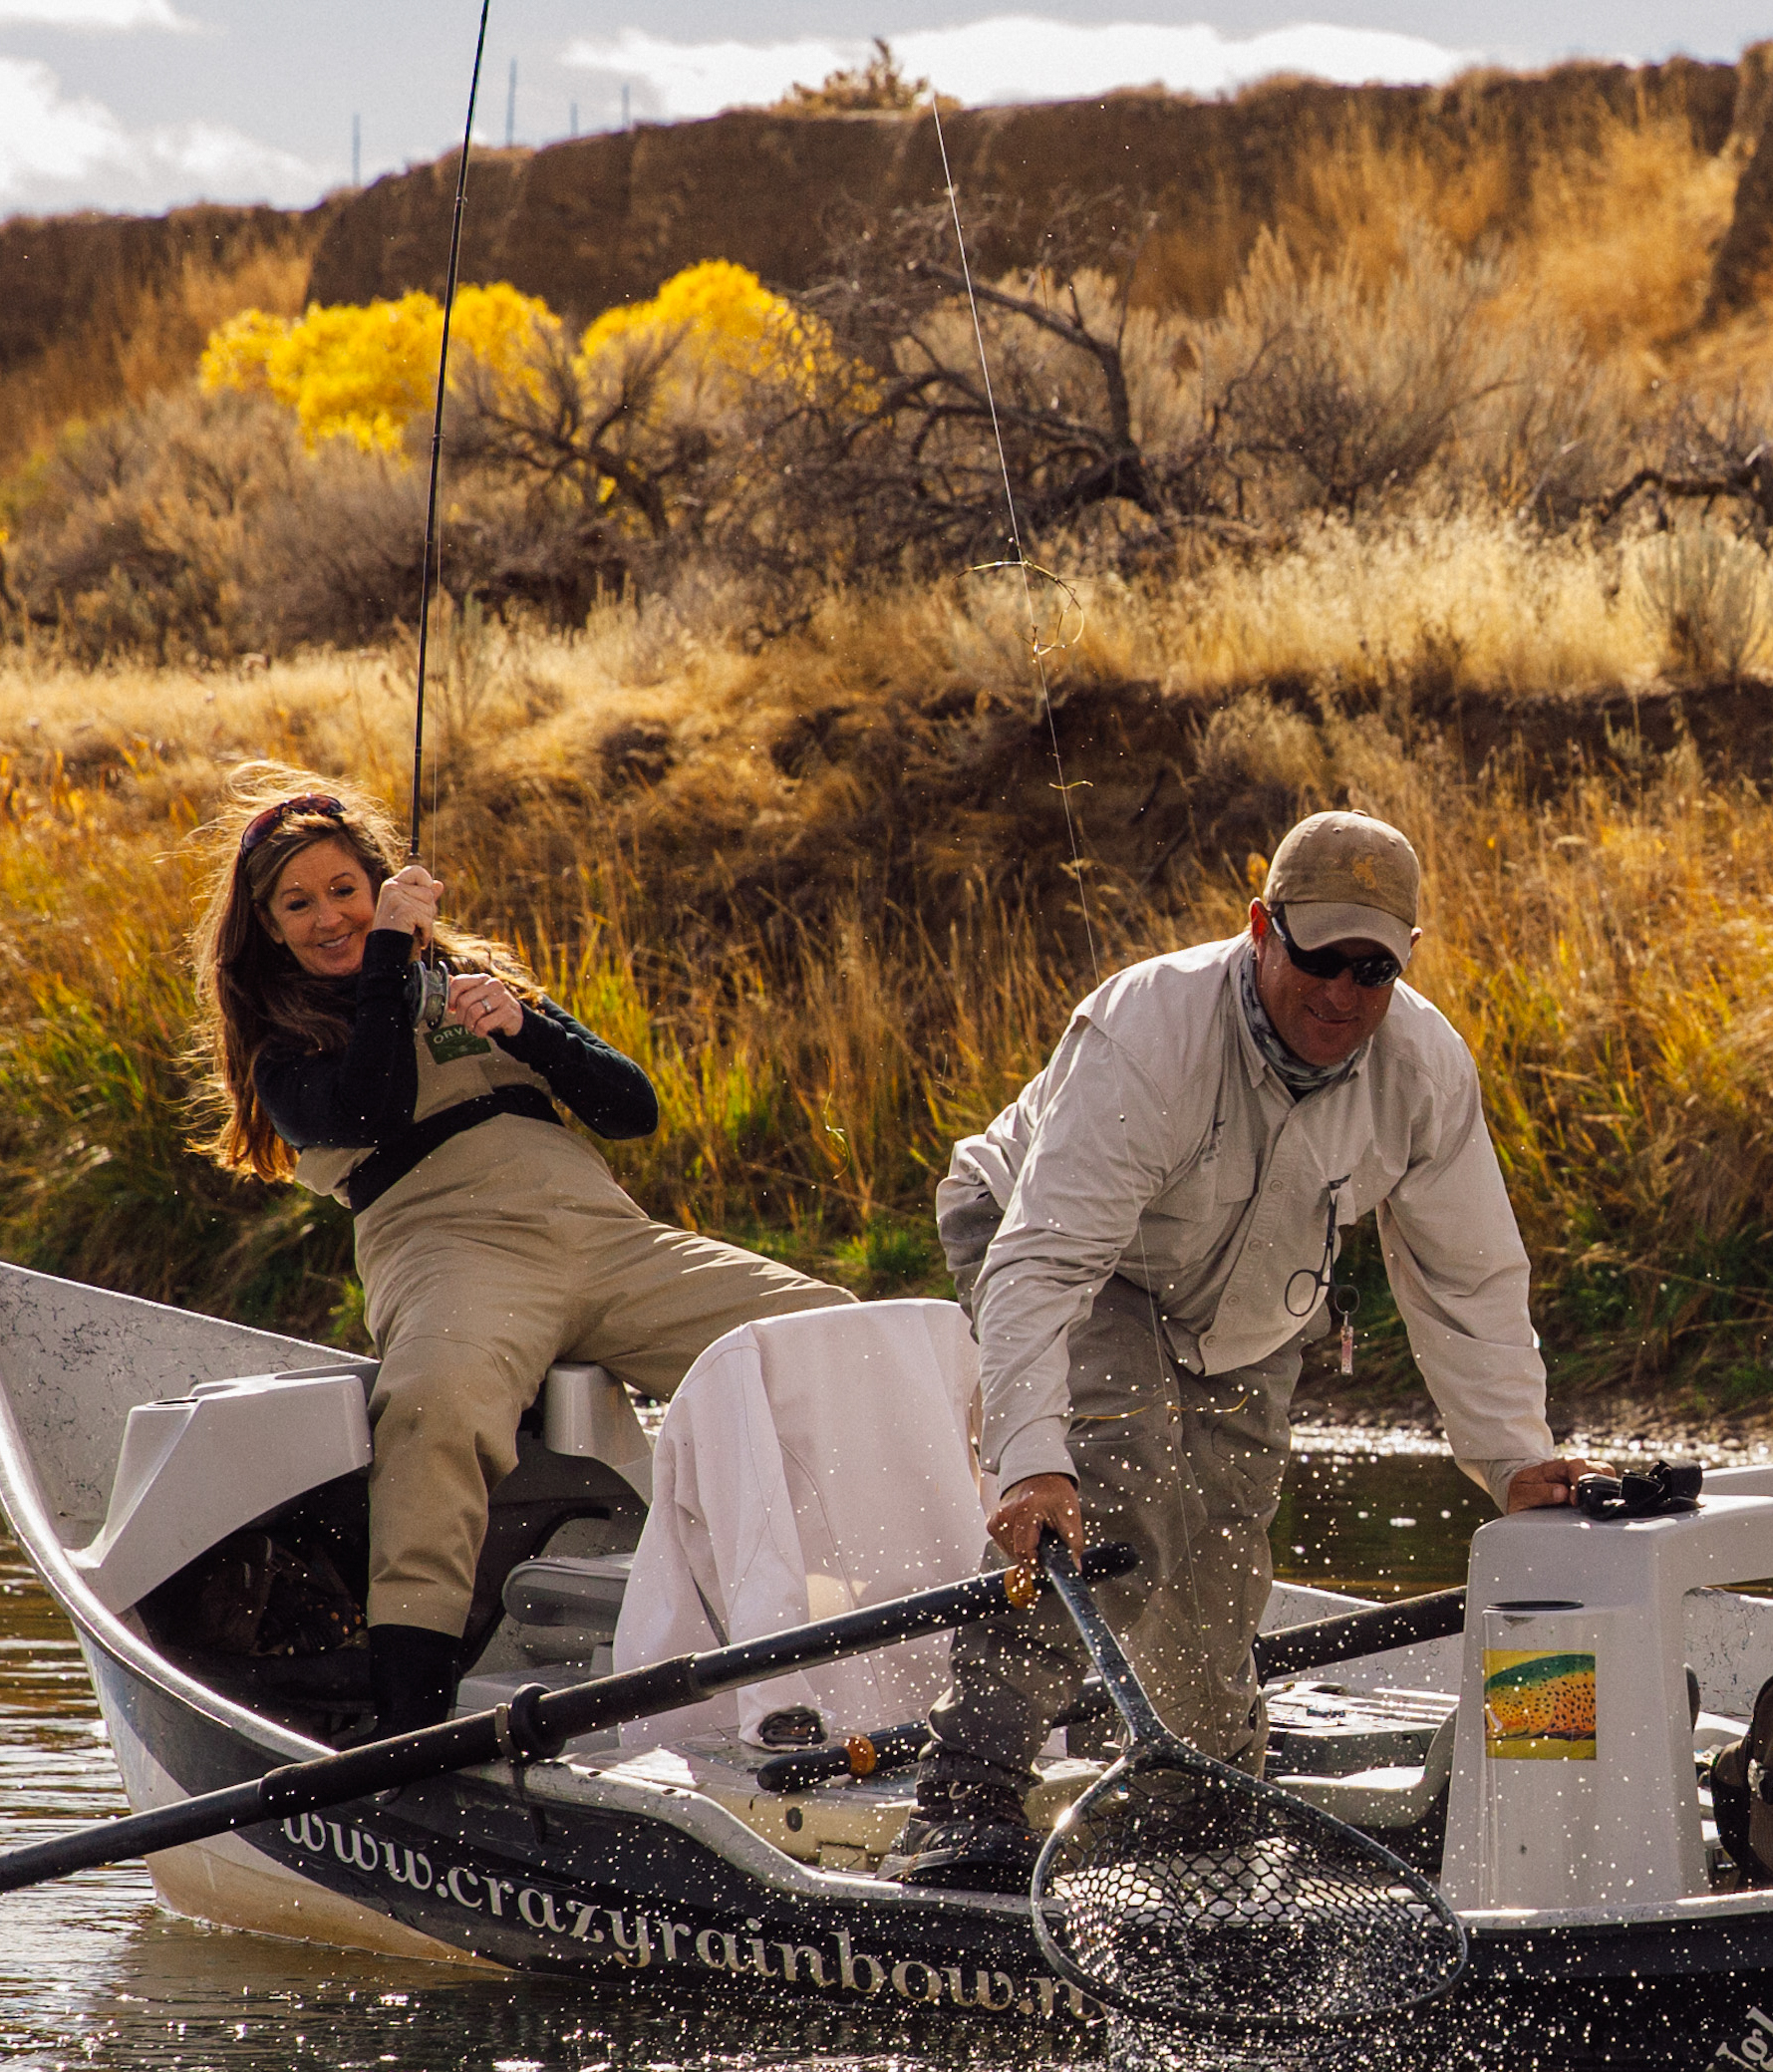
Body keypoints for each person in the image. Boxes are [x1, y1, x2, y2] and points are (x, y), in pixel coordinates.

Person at [901, 808, 1592, 1884]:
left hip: (1251, 1295)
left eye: (1374, 970)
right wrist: (1033, 1460)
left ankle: (1201, 1804)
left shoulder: (1424, 1067)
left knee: (1219, 1554)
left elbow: (1469, 1279)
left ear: (1406, 962)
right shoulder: (1149, 1030)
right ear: (1261, 927)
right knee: (1116, 1489)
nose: (1341, 995)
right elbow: (1042, 1267)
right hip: (1060, 1245)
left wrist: (1512, 1460)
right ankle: (963, 1794)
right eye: (1319, 958)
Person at [198, 771, 844, 1736]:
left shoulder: (471, 974)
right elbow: (368, 1106)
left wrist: (528, 1027)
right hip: (449, 1247)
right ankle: (409, 1712)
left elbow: (633, 1110)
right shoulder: (282, 1044)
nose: (328, 916)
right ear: (270, 929)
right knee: (434, 1402)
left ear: (382, 881)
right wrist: (384, 956)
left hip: (607, 1237)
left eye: (345, 889)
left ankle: (908, 1614)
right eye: (299, 904)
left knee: (834, 1334)